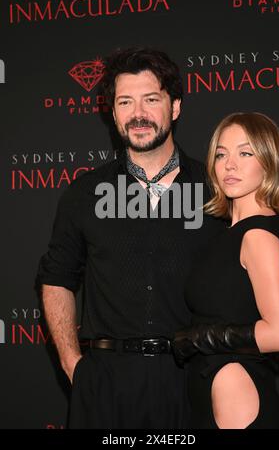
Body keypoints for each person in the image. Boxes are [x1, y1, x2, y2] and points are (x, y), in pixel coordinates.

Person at [36, 47, 225, 429]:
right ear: (114, 112)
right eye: (125, 101)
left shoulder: (214, 191)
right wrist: (75, 366)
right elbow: (57, 280)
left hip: (191, 381)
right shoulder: (84, 194)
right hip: (107, 385)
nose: (138, 113)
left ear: (174, 108)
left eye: (151, 99)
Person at [172, 112, 279, 429]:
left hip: (237, 392)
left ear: (268, 161)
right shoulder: (227, 234)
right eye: (221, 154)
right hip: (212, 389)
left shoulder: (257, 236)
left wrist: (203, 338)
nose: (229, 164)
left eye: (245, 152)